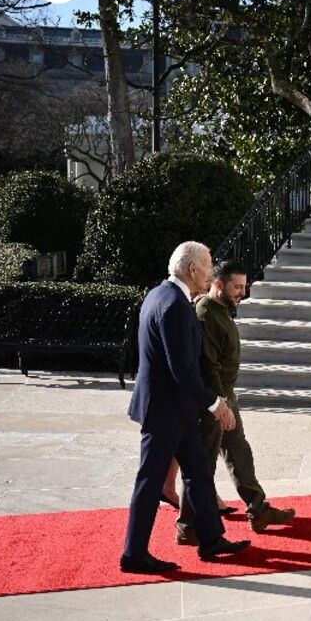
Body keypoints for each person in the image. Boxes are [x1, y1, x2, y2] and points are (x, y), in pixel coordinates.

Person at [121, 241, 251, 573]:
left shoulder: (159, 295)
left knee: (198, 473)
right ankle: (133, 554)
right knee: (150, 481)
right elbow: (183, 370)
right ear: (193, 269)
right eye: (207, 266)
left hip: (178, 411)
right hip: (164, 412)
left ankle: (211, 539)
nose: (210, 273)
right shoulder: (174, 306)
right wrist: (216, 404)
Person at [175, 260, 298, 545]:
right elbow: (208, 365)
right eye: (236, 287)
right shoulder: (206, 312)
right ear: (218, 285)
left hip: (226, 396)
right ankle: (188, 526)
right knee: (202, 465)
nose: (242, 292)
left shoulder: (222, 309)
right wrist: (220, 404)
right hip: (212, 403)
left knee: (239, 453)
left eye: (244, 286)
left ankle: (258, 509)